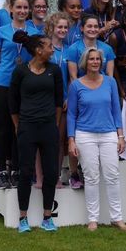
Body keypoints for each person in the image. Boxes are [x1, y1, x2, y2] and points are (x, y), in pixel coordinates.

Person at [67, 48, 126, 231]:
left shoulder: (110, 82)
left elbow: (115, 110)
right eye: (91, 59)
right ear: (85, 62)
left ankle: (117, 218)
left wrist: (121, 136)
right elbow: (71, 114)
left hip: (109, 134)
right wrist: (71, 140)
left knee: (112, 176)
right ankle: (92, 219)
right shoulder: (76, 85)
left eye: (98, 59)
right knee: (91, 177)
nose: (95, 62)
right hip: (84, 135)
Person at [9, 30, 64, 233]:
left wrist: (55, 124)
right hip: (27, 127)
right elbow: (12, 102)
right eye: (49, 46)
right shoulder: (20, 71)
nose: (52, 49)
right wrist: (18, 125)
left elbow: (59, 100)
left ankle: (47, 218)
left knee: (51, 173)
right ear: (39, 50)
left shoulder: (55, 70)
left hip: (48, 127)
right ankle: (22, 218)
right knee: (25, 172)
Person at [0, 0, 38, 189]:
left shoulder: (34, 31)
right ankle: (2, 169)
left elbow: (38, 56)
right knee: (2, 128)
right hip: (3, 83)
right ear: (11, 9)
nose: (22, 11)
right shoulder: (1, 31)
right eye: (18, 7)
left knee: (21, 128)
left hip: (24, 84)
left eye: (26, 8)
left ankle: (17, 169)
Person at [46, 12, 82, 189]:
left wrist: (68, 96)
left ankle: (56, 175)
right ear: (51, 28)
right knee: (44, 140)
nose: (62, 30)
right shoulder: (45, 47)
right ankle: (42, 175)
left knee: (59, 140)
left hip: (63, 101)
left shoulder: (70, 50)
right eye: (59, 27)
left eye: (65, 27)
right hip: (44, 100)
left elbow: (71, 77)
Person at [66, 13, 115, 79]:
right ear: (82, 28)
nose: (93, 29)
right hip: (82, 88)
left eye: (96, 26)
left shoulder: (108, 49)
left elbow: (110, 75)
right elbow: (73, 77)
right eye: (89, 26)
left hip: (103, 87)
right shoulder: (73, 49)